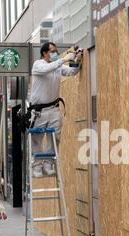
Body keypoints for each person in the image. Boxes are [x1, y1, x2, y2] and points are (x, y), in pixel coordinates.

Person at [29, 42, 83, 178]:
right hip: (38, 111)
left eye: (56, 51)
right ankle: (37, 166)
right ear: (44, 53)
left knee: (55, 138)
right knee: (37, 139)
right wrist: (64, 59)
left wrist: (77, 60)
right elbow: (47, 69)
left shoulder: (57, 67)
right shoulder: (38, 65)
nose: (55, 53)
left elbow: (71, 71)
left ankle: (48, 164)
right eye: (52, 51)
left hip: (53, 108)